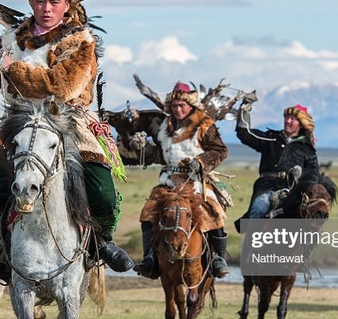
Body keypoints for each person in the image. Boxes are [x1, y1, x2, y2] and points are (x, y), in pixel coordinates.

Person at [0, 0, 133, 288]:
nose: (46, 8)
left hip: (68, 122)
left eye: (54, 1)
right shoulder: (10, 39)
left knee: (101, 189)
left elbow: (61, 87)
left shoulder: (80, 41)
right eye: (40, 0)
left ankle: (102, 242)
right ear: (31, 1)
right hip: (18, 122)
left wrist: (14, 69)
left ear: (67, 5)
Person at [133, 82, 231, 279]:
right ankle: (150, 258)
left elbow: (221, 151)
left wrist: (201, 161)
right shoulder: (164, 126)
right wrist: (142, 147)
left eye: (181, 106)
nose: (177, 109)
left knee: (214, 211)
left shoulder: (204, 125)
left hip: (195, 181)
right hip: (168, 181)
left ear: (190, 106)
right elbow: (160, 155)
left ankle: (218, 259)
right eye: (175, 106)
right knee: (148, 213)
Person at [233, 101, 320, 230]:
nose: (288, 121)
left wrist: (299, 177)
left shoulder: (306, 148)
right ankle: (252, 248)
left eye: (293, 119)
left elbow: (313, 174)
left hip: (292, 191)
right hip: (266, 187)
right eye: (286, 117)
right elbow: (245, 134)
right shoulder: (271, 138)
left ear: (301, 124)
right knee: (259, 208)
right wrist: (244, 110)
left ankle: (304, 249)